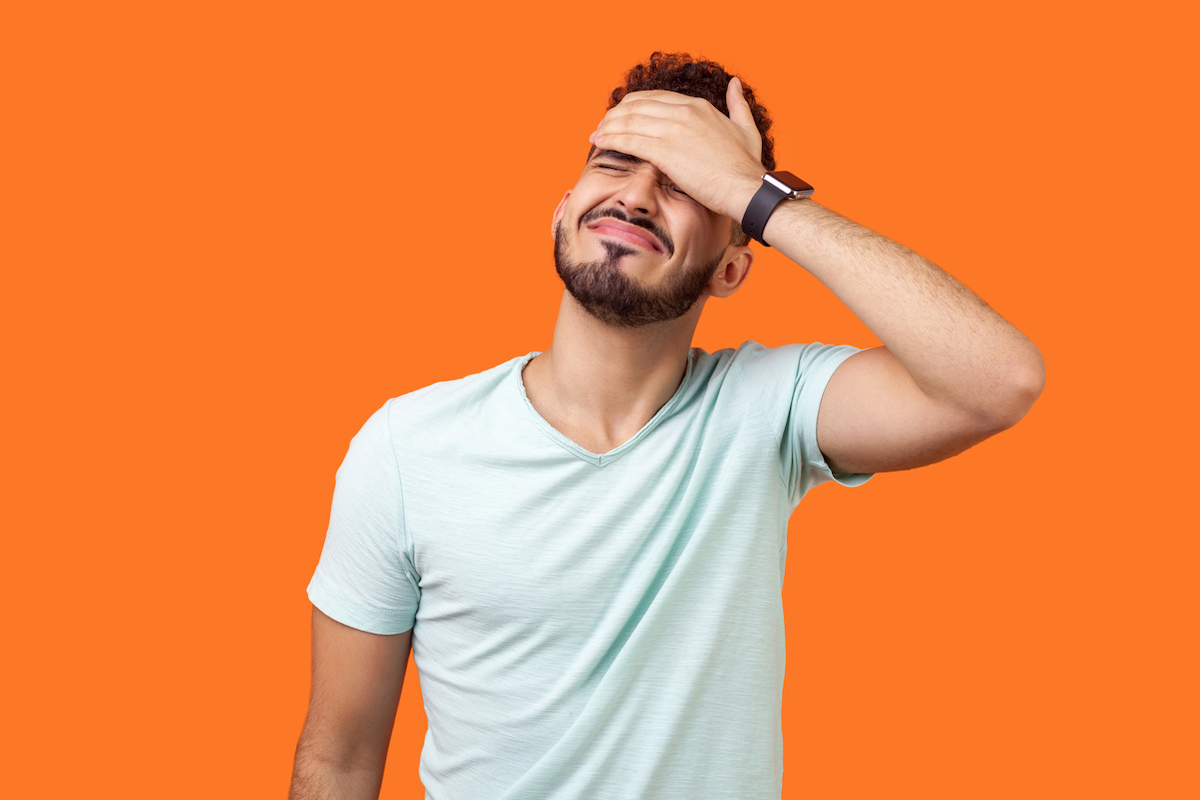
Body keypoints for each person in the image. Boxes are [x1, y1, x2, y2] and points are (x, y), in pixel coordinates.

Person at [289, 52, 1044, 800]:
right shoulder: (407, 449)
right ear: (561, 211)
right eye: (615, 163)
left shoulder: (767, 409)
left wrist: (756, 195)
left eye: (686, 183)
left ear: (730, 268)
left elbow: (998, 381)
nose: (636, 196)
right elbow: (340, 759)